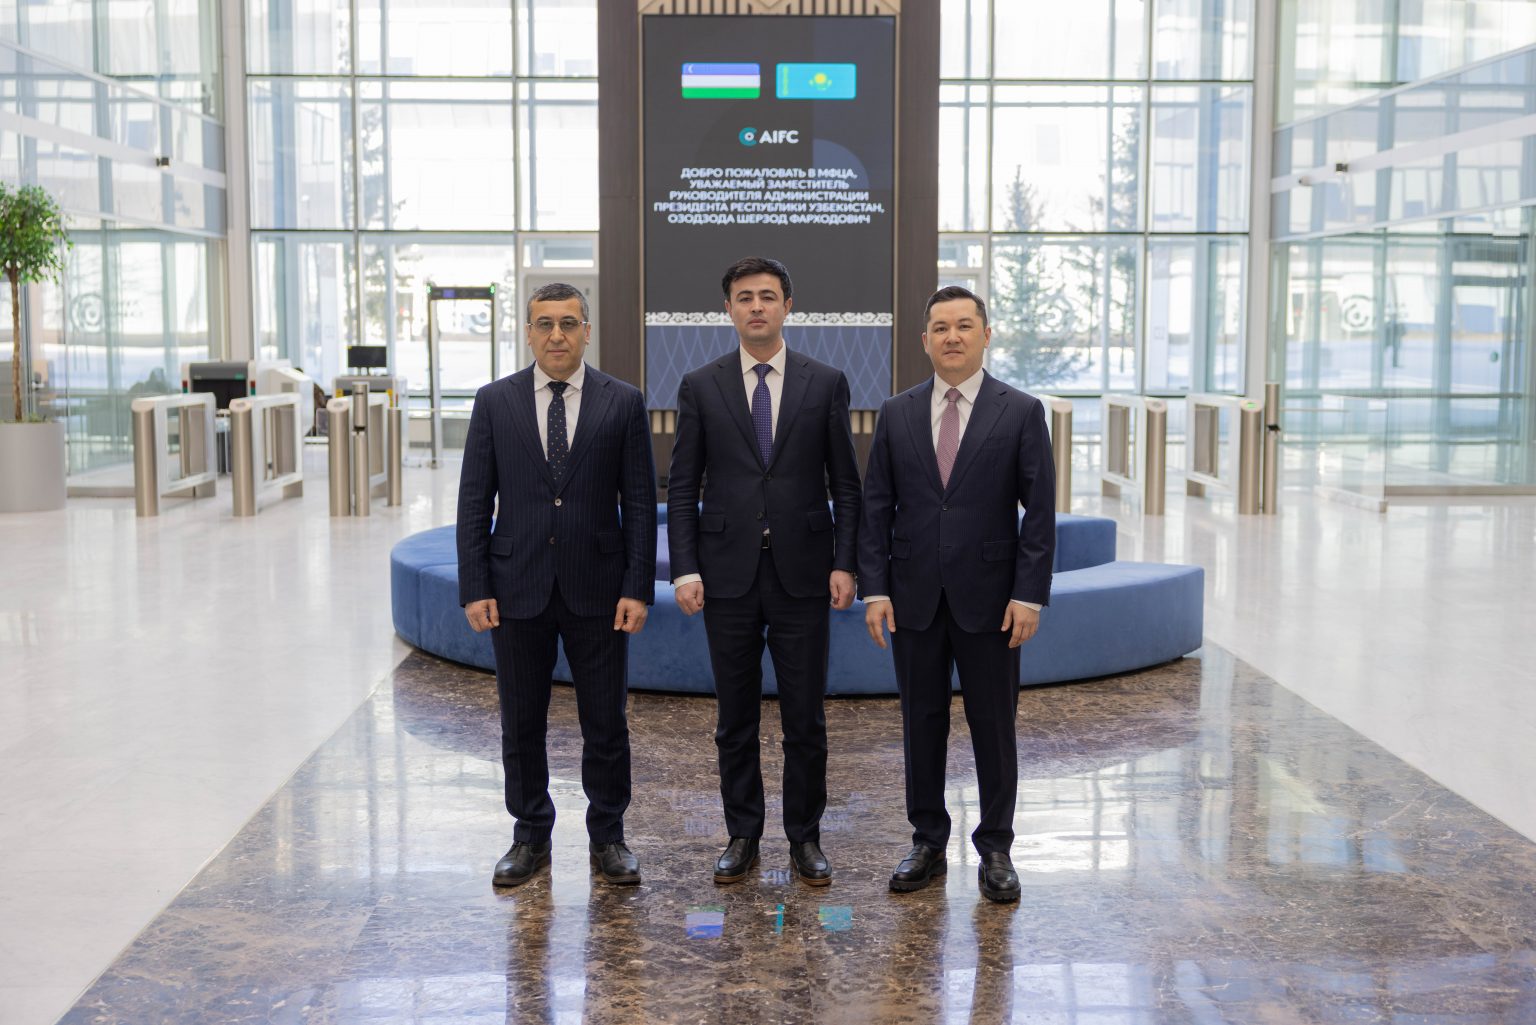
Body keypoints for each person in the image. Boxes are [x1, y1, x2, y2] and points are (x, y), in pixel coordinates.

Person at [858, 284, 1056, 903]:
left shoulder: (1020, 411)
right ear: (924, 340)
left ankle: (996, 847)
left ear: (985, 335)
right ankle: (927, 841)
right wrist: (875, 589)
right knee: (920, 723)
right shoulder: (896, 413)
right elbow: (875, 507)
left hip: (992, 601)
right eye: (940, 327)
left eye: (964, 326)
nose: (952, 337)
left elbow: (1040, 512)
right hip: (913, 597)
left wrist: (1029, 595)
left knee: (994, 725)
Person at [667, 256, 861, 887]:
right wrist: (684, 568)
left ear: (787, 306)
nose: (756, 306)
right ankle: (742, 834)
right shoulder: (700, 385)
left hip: (805, 574)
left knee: (806, 718)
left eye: (768, 296)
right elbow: (683, 485)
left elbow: (846, 485)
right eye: (745, 297)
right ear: (728, 309)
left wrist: (846, 561)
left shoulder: (825, 382)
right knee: (735, 719)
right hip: (726, 576)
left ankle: (805, 837)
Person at [457, 282, 657, 888]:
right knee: (521, 721)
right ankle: (529, 835)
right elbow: (474, 501)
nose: (557, 335)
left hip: (599, 588)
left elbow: (640, 503)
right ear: (528, 333)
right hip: (516, 587)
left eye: (568, 323)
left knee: (606, 722)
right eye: (544, 323)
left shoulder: (623, 402)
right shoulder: (495, 401)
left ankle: (609, 836)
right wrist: (475, 585)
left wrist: (637, 587)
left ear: (587, 331)